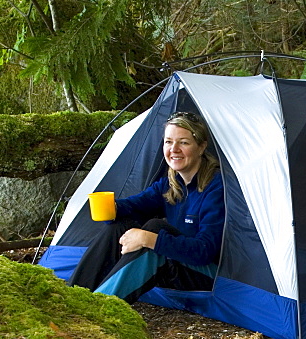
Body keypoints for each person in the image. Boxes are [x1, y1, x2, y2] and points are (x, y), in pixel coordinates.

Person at [68, 111, 225, 304]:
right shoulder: (170, 183)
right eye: (168, 142)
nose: (174, 149)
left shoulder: (216, 187)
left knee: (154, 229)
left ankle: (99, 309)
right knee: (120, 225)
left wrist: (148, 239)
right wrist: (111, 208)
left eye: (183, 142)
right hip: (178, 263)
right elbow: (136, 205)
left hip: (208, 274)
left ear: (201, 147)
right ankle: (71, 297)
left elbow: (205, 251)